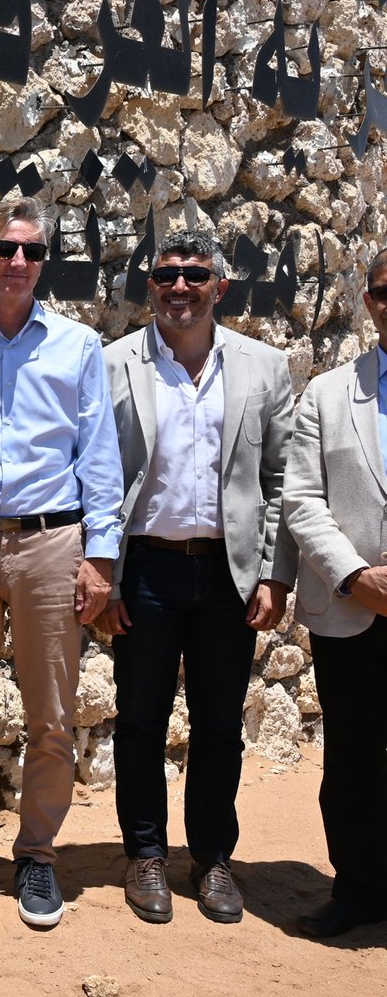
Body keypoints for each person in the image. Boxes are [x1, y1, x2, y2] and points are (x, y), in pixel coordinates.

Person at [0, 196, 123, 927]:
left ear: (44, 262)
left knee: (53, 713)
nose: (17, 262)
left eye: (32, 251)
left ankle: (37, 853)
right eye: (4, 249)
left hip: (51, 543)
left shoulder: (78, 346)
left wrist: (101, 558)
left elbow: (98, 454)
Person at [98, 229, 295, 925]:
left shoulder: (264, 367)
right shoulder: (115, 363)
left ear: (220, 286)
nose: (179, 286)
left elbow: (279, 478)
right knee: (140, 719)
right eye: (166, 274)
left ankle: (212, 857)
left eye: (195, 273)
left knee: (218, 724)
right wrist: (105, 576)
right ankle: (146, 852)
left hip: (227, 572)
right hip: (145, 568)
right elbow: (97, 474)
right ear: (149, 285)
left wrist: (273, 574)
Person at [282, 249, 387, 939]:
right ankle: (359, 889)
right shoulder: (327, 393)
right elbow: (302, 498)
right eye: (385, 291)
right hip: (354, 609)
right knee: (353, 757)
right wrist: (354, 575)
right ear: (369, 300)